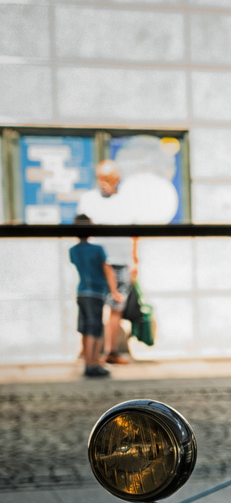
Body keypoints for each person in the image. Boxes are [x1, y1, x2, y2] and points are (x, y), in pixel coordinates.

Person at [79, 161, 138, 363]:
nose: (103, 182)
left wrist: (134, 261)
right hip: (97, 263)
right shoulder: (88, 199)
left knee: (116, 306)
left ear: (117, 179)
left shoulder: (127, 200)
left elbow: (134, 233)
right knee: (92, 306)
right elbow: (81, 232)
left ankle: (110, 351)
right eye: (100, 177)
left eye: (108, 178)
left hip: (121, 260)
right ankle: (89, 355)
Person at [69, 213, 117, 378]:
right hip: (96, 293)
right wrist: (115, 291)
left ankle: (87, 362)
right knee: (95, 329)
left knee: (84, 329)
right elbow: (108, 271)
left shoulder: (73, 250)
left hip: (81, 292)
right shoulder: (98, 249)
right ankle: (93, 364)